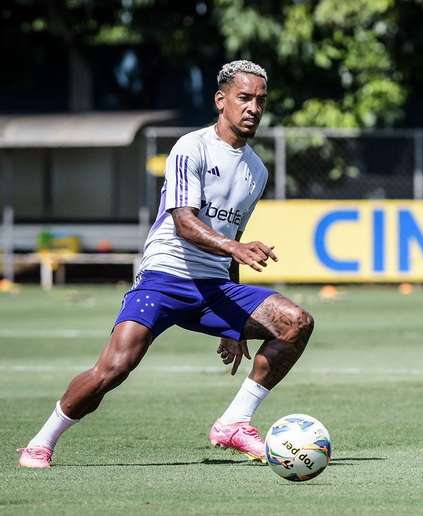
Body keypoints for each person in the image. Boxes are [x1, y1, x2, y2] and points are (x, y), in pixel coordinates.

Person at [18, 60, 314, 468]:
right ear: (221, 100)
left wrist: (236, 326)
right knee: (114, 368)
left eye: (260, 101)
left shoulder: (256, 171)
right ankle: (41, 441)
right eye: (244, 98)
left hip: (214, 289)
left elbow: (236, 242)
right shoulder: (190, 147)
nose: (253, 108)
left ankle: (234, 422)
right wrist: (232, 248)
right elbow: (185, 223)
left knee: (295, 322)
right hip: (164, 277)